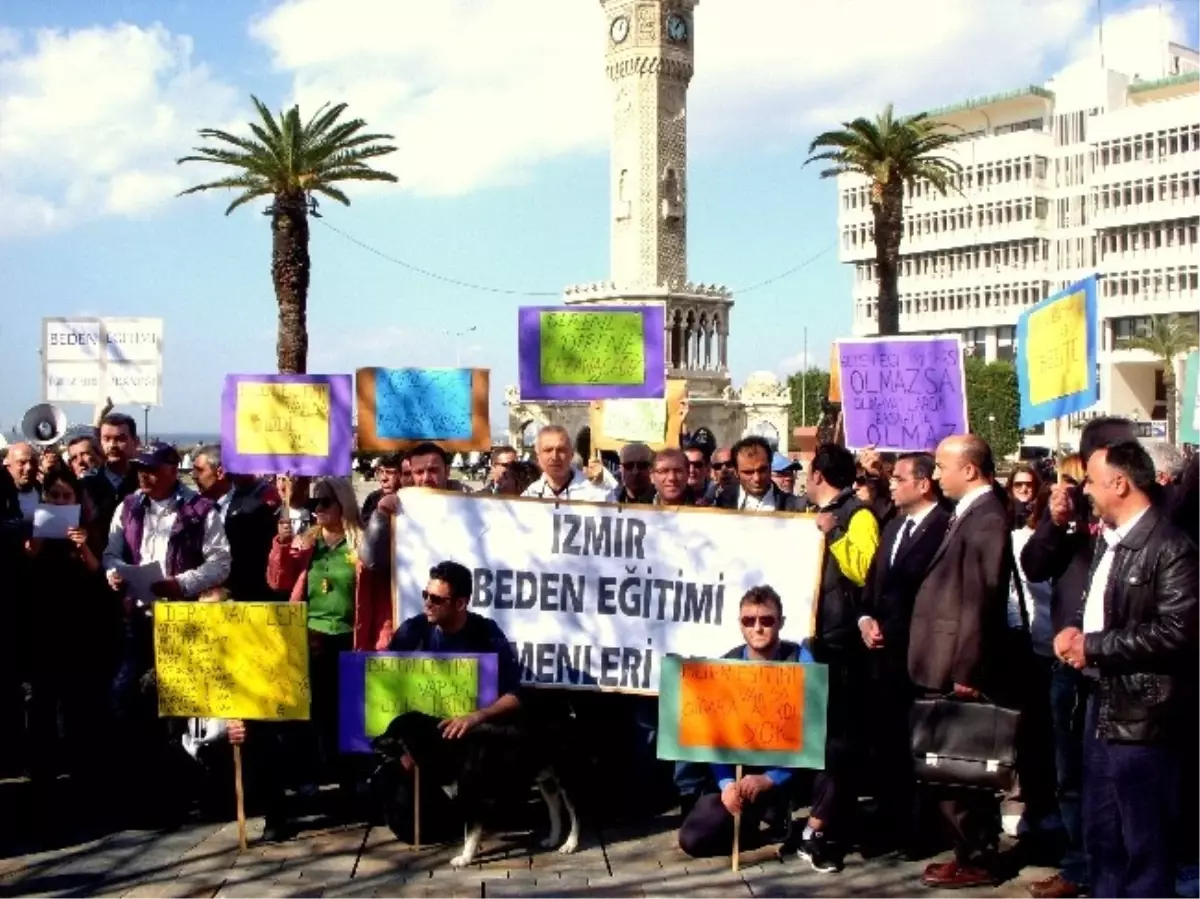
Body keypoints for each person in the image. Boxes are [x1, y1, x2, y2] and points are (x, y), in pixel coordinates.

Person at [1054, 440, 1200, 899]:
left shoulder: (1172, 547)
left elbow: (1178, 631)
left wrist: (1093, 647)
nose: (1087, 492)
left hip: (1146, 715)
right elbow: (1099, 607)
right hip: (1103, 704)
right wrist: (1073, 631)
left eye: (1092, 482)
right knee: (1103, 835)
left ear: (1119, 483)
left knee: (1144, 841)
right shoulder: (1109, 540)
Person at [910, 435, 1014, 890]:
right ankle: (966, 850)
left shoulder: (987, 518)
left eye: (941, 467)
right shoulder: (970, 513)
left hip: (957, 664)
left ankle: (977, 857)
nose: (935, 476)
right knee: (949, 768)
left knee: (961, 768)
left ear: (969, 470)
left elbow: (981, 599)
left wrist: (967, 671)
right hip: (944, 658)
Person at [267, 476, 392, 794]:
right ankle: (316, 775)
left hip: (350, 637)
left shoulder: (363, 544)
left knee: (349, 713)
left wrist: (382, 640)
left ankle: (353, 780)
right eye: (313, 503)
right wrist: (280, 545)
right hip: (312, 637)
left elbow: (379, 598)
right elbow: (278, 582)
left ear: (343, 503)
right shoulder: (305, 542)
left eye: (324, 502)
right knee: (316, 713)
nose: (317, 509)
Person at [385, 560, 524, 839]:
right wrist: (404, 749)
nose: (427, 603)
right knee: (406, 828)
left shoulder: (486, 633)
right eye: (426, 595)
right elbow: (383, 686)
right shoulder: (412, 632)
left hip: (473, 743)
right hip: (427, 747)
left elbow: (516, 695)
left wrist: (477, 716)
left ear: (461, 603)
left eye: (436, 599)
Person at [858, 452, 951, 851]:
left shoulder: (947, 528)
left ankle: (921, 829)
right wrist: (865, 619)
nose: (890, 484)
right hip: (883, 660)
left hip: (922, 657)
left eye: (898, 478)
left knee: (923, 748)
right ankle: (889, 821)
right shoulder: (893, 527)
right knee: (887, 744)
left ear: (923, 483)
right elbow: (872, 585)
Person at [678, 586, 807, 859]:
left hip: (787, 771)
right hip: (738, 771)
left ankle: (784, 816)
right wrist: (726, 785)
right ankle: (747, 825)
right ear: (740, 624)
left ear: (781, 623)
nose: (757, 628)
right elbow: (713, 737)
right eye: (749, 621)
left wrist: (771, 778)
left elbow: (813, 734)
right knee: (692, 840)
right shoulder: (726, 666)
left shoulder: (801, 662)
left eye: (767, 620)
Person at [22, 467, 107, 786]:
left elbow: (98, 573)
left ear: (76, 499)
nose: (59, 502)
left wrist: (83, 546)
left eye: (66, 496)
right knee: (41, 700)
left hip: (77, 629)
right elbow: (23, 576)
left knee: (76, 700)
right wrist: (34, 548)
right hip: (42, 628)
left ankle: (79, 767)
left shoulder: (88, 530)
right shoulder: (33, 529)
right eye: (53, 496)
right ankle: (42, 768)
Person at [192, 444, 279, 602]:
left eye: (199, 470)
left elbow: (258, 563)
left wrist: (228, 590)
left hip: (241, 604)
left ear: (220, 472)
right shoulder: (193, 509)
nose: (193, 476)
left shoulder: (253, 510)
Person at [715, 436, 803, 512]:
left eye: (762, 470)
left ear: (770, 467)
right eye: (748, 472)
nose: (757, 478)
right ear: (736, 472)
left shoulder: (793, 506)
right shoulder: (722, 501)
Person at [522, 426, 609, 501]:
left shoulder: (594, 492)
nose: (554, 456)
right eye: (548, 450)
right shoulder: (529, 496)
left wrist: (600, 487)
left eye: (561, 450)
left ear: (571, 454)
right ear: (538, 456)